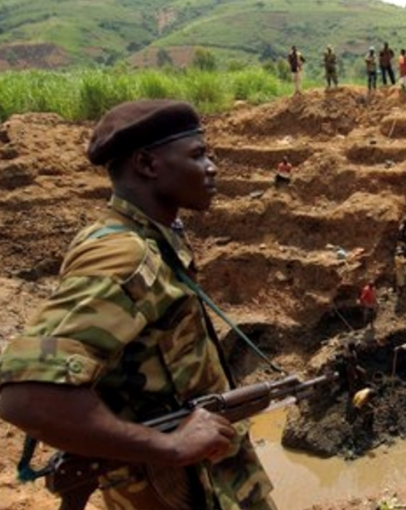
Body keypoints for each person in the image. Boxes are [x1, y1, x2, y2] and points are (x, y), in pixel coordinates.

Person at [0, 100, 275, 509]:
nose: (212, 166)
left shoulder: (152, 236)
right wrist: (171, 447)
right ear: (147, 163)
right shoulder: (124, 255)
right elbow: (25, 394)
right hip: (172, 492)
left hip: (211, 485)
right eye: (198, 154)